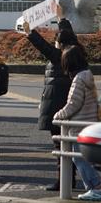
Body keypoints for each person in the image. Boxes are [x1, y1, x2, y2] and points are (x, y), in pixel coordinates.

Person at [24, 5, 77, 191]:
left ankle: (65, 182)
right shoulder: (72, 54)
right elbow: (68, 36)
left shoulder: (60, 56)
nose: (55, 42)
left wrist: (30, 33)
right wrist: (61, 18)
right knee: (67, 146)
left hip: (58, 108)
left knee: (61, 146)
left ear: (61, 44)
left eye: (57, 40)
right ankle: (68, 180)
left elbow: (43, 47)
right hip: (64, 107)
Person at [54, 45, 101, 201]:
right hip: (89, 123)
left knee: (79, 158)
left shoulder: (78, 80)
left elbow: (73, 104)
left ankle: (96, 187)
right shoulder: (87, 75)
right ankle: (95, 186)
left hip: (79, 125)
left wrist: (58, 115)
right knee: (85, 157)